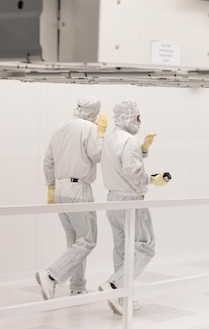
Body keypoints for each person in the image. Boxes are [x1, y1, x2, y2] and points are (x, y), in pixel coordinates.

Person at [98, 99, 170, 316]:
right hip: (130, 200)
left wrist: (144, 150)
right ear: (129, 116)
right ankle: (113, 285)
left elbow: (120, 162)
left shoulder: (110, 138)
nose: (140, 120)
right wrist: (151, 180)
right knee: (146, 245)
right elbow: (132, 171)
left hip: (112, 200)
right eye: (138, 116)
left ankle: (121, 297)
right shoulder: (129, 140)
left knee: (122, 250)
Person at [36, 95, 107, 299]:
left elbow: (48, 159)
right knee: (88, 240)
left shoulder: (60, 127)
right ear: (94, 112)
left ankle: (77, 287)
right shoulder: (89, 128)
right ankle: (51, 275)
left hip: (60, 189)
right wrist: (101, 133)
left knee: (75, 241)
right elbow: (97, 155)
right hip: (79, 188)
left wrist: (50, 186)